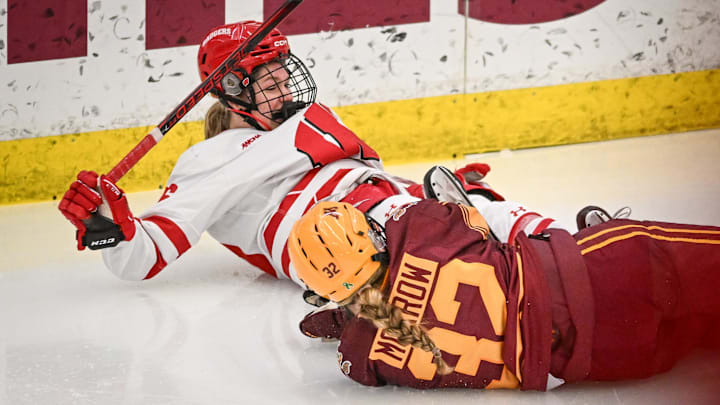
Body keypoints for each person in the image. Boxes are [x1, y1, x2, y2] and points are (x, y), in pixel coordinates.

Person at [58, 21, 558, 287]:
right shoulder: (209, 160)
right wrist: (110, 227)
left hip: (386, 206)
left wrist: (416, 187)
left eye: (283, 68)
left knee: (485, 205)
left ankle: (571, 244)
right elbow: (144, 254)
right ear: (232, 89)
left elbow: (359, 179)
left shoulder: (306, 115)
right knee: (431, 231)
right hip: (337, 239)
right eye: (268, 76)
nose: (285, 81)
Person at [287, 172, 720, 390]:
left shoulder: (361, 361)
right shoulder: (417, 228)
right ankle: (586, 232)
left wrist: (350, 316)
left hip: (600, 361)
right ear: (370, 236)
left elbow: (378, 317)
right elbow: (471, 223)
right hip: (605, 272)